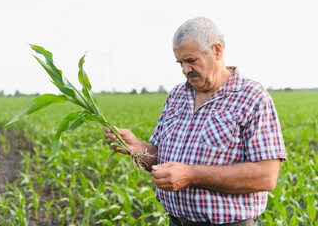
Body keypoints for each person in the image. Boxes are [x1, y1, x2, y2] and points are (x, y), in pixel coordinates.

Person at [104, 17, 286, 226]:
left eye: (191, 60)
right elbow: (162, 161)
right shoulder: (177, 96)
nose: (184, 69)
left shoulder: (253, 97)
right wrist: (138, 148)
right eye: (180, 62)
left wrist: (191, 175)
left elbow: (266, 176)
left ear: (217, 51)